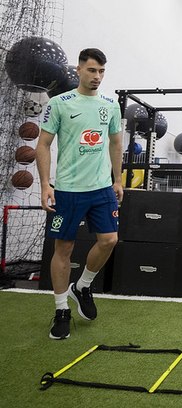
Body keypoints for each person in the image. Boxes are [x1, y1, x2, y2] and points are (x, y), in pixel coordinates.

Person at [36, 48, 123, 340]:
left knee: (109, 240)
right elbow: (43, 145)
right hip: (68, 191)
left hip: (101, 188)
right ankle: (61, 310)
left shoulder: (111, 105)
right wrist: (46, 184)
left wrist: (118, 179)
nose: (97, 76)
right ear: (79, 70)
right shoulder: (59, 104)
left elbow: (115, 143)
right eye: (91, 70)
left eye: (101, 72)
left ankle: (83, 285)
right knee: (64, 249)